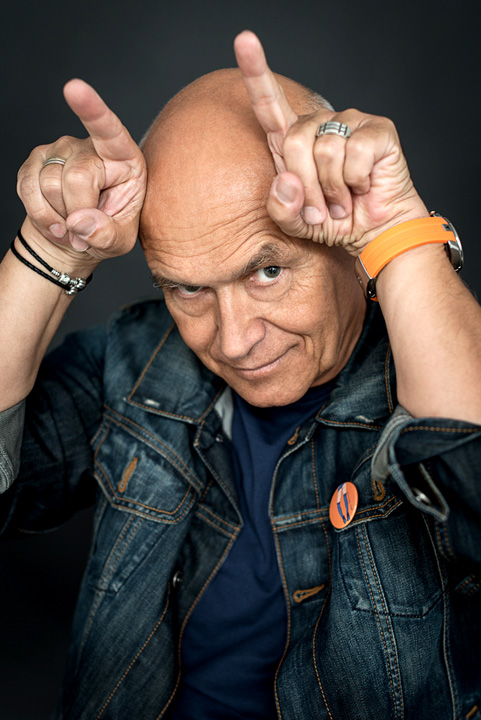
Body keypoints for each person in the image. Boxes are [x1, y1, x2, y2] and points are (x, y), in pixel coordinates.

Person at [1, 30, 480, 720]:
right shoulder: (133, 362)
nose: (233, 339)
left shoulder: (438, 365)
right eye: (189, 289)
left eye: (268, 271)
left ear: (346, 239)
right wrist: (49, 248)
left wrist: (395, 227)